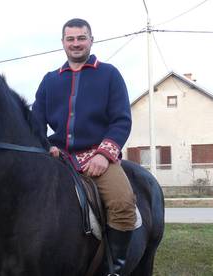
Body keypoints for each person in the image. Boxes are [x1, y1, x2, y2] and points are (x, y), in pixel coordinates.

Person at [32, 18, 136, 275]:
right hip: (59, 157)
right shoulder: (49, 81)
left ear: (91, 40)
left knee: (123, 203)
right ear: (63, 43)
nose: (76, 44)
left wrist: (104, 154)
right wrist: (45, 146)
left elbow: (121, 119)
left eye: (81, 38)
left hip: (98, 157)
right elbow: (35, 122)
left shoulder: (109, 74)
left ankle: (115, 269)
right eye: (70, 39)